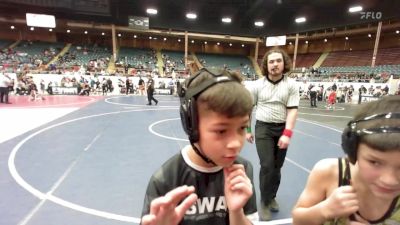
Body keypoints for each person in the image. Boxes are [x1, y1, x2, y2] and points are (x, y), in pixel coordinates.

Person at [140, 68, 258, 225]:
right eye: (221, 130)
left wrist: (237, 212)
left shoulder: (242, 171)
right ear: (191, 126)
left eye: (242, 128)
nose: (236, 143)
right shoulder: (166, 179)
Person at [292, 96, 400, 225]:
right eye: (374, 162)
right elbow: (298, 221)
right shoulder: (329, 173)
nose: (389, 180)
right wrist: (324, 210)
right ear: (353, 152)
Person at [246, 47, 300, 221]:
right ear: (266, 65)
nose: (275, 64)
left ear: (284, 64)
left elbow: (292, 111)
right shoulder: (256, 85)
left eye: (278, 61)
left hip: (282, 128)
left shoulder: (291, 85)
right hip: (263, 128)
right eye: (271, 61)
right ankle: (264, 200)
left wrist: (287, 134)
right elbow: (249, 109)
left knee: (277, 167)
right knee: (267, 165)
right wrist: (247, 129)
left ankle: (272, 196)